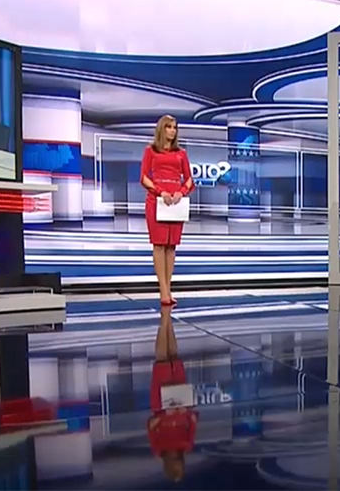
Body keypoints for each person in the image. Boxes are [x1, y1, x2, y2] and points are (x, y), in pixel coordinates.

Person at [141, 115, 194, 306]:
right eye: (169, 127)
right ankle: (163, 290)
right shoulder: (150, 151)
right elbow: (144, 177)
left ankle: (168, 289)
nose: (172, 130)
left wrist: (181, 192)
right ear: (161, 129)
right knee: (159, 245)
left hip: (175, 203)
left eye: (175, 127)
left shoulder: (181, 153)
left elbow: (189, 179)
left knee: (171, 246)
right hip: (157, 202)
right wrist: (160, 191)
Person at [147, 307, 197, 482]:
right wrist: (185, 412)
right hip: (180, 399)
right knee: (174, 356)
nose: (179, 465)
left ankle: (165, 318)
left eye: (177, 468)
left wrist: (165, 415)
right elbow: (194, 420)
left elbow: (151, 425)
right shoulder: (187, 446)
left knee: (162, 359)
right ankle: (168, 317)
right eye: (181, 468)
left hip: (161, 403)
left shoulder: (158, 449)